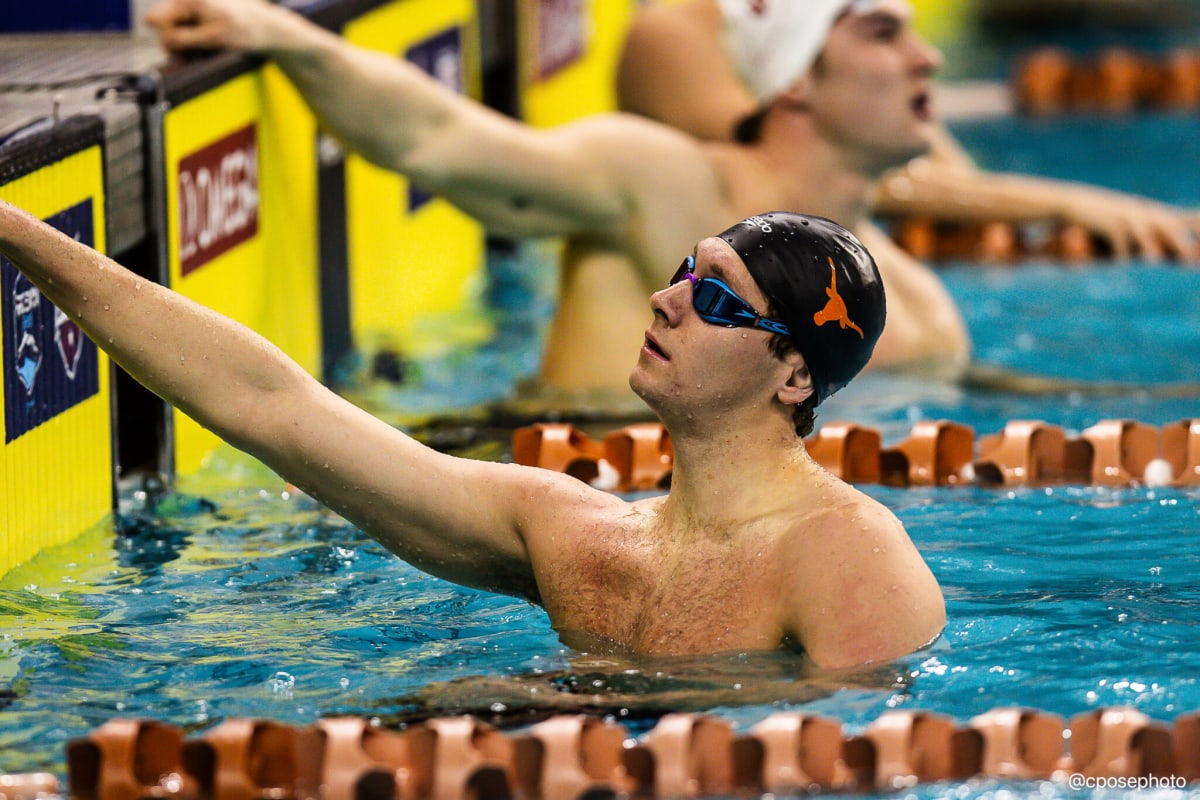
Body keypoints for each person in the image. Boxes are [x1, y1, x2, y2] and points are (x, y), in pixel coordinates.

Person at [0, 200, 945, 668]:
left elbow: (873, 766)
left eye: (713, 298)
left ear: (793, 375)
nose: (664, 300)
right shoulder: (570, 531)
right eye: (679, 272)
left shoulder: (845, 554)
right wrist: (15, 232)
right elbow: (272, 407)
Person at [145, 0, 970, 401]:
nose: (928, 58)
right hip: (558, 511)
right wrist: (284, 32)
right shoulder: (664, 181)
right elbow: (434, 139)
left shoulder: (909, 289)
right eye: (884, 32)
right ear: (793, 81)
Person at [616, 0, 1200, 262]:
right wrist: (1066, 203)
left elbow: (951, 181)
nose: (927, 58)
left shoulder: (832, 20)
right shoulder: (673, 33)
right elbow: (792, 179)